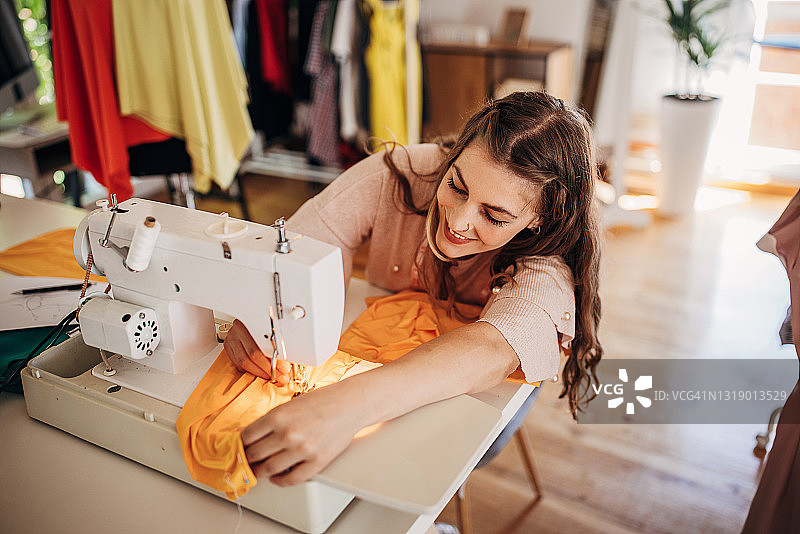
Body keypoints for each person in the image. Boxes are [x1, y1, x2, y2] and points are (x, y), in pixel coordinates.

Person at [223, 91, 603, 488]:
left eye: (492, 216)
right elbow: (299, 253)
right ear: (455, 155)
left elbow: (495, 346)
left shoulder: (551, 254)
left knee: (438, 449)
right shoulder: (400, 172)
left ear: (538, 220)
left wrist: (342, 407)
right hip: (387, 365)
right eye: (456, 186)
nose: (458, 221)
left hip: (466, 386)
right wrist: (258, 308)